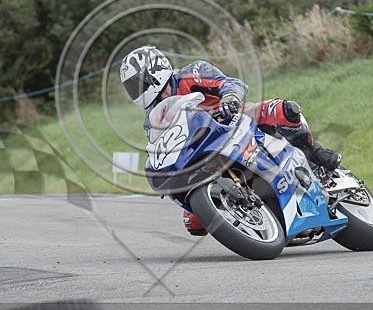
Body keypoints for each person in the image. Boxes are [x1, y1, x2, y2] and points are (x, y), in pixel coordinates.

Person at [120, 45, 341, 236]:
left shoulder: (192, 73)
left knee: (285, 110)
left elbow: (231, 83)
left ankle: (314, 153)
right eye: (132, 86)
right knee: (195, 223)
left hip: (235, 119)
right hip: (204, 150)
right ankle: (249, 209)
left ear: (156, 71)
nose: (137, 90)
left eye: (138, 83)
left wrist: (230, 98)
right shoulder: (152, 116)